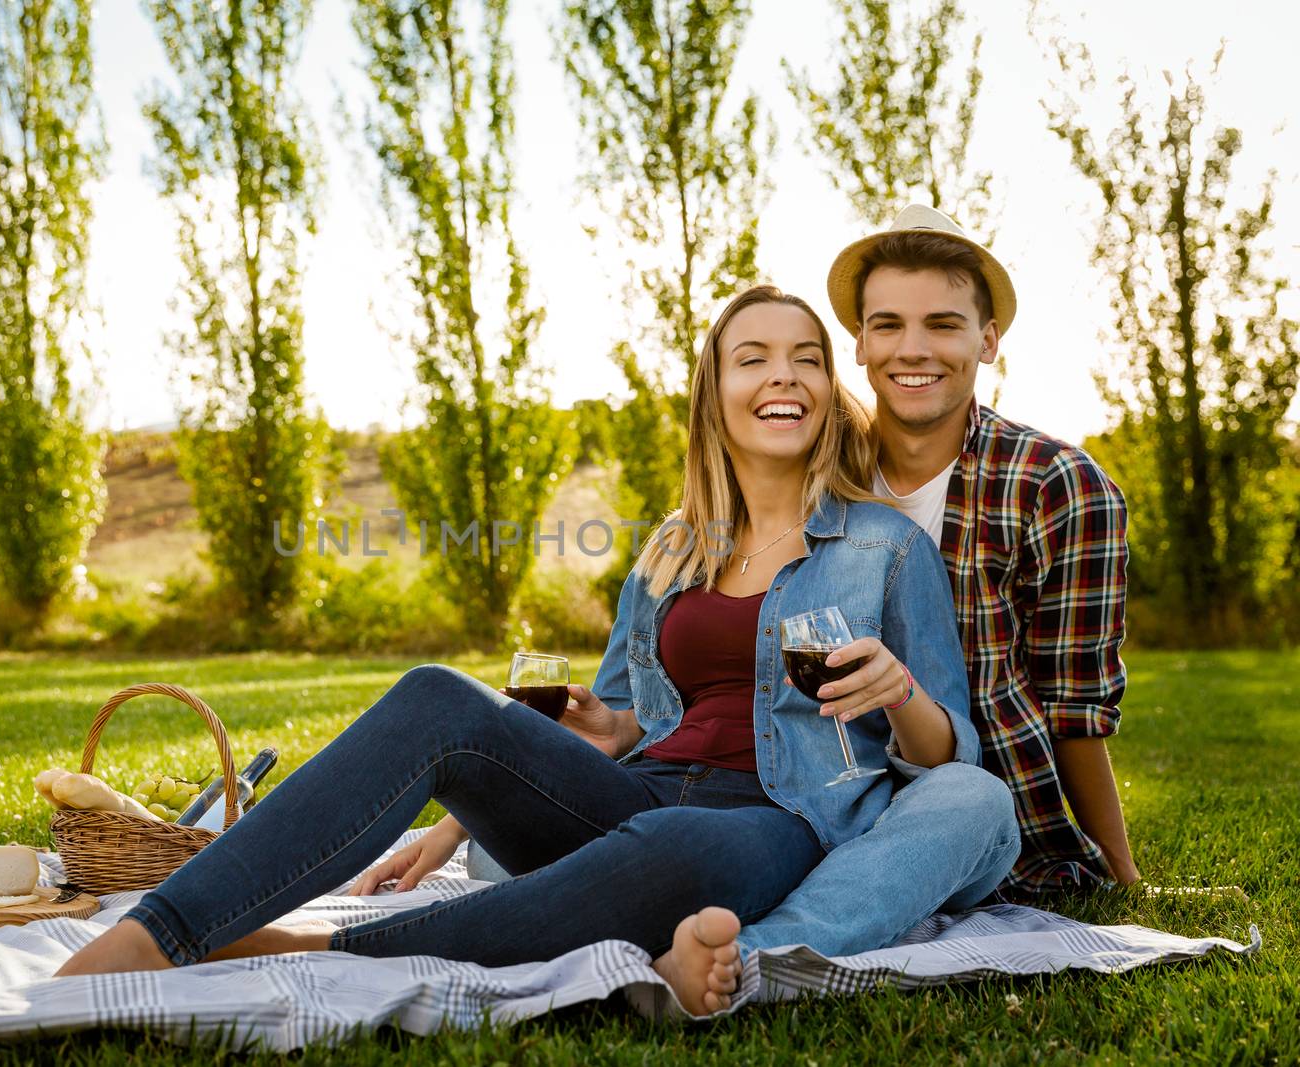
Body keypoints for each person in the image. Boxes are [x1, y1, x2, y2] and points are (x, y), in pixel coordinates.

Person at [57, 285, 984, 1016]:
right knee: (438, 695)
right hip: (640, 796)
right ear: (717, 393)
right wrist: (571, 738)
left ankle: (305, 950)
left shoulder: (886, 547)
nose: (783, 377)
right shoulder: (673, 547)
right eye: (754, 359)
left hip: (773, 822)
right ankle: (165, 926)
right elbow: (621, 721)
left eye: (806, 360)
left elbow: (951, 755)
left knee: (672, 844)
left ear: (829, 391)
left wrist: (897, 690)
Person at [727, 205, 1138, 960]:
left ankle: (757, 954)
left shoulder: (1057, 487)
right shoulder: (810, 463)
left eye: (943, 324)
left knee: (964, 804)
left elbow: (1076, 708)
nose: (912, 349)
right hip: (809, 801)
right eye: (887, 325)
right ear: (857, 342)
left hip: (976, 814)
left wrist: (1120, 870)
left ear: (987, 340)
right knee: (501, 853)